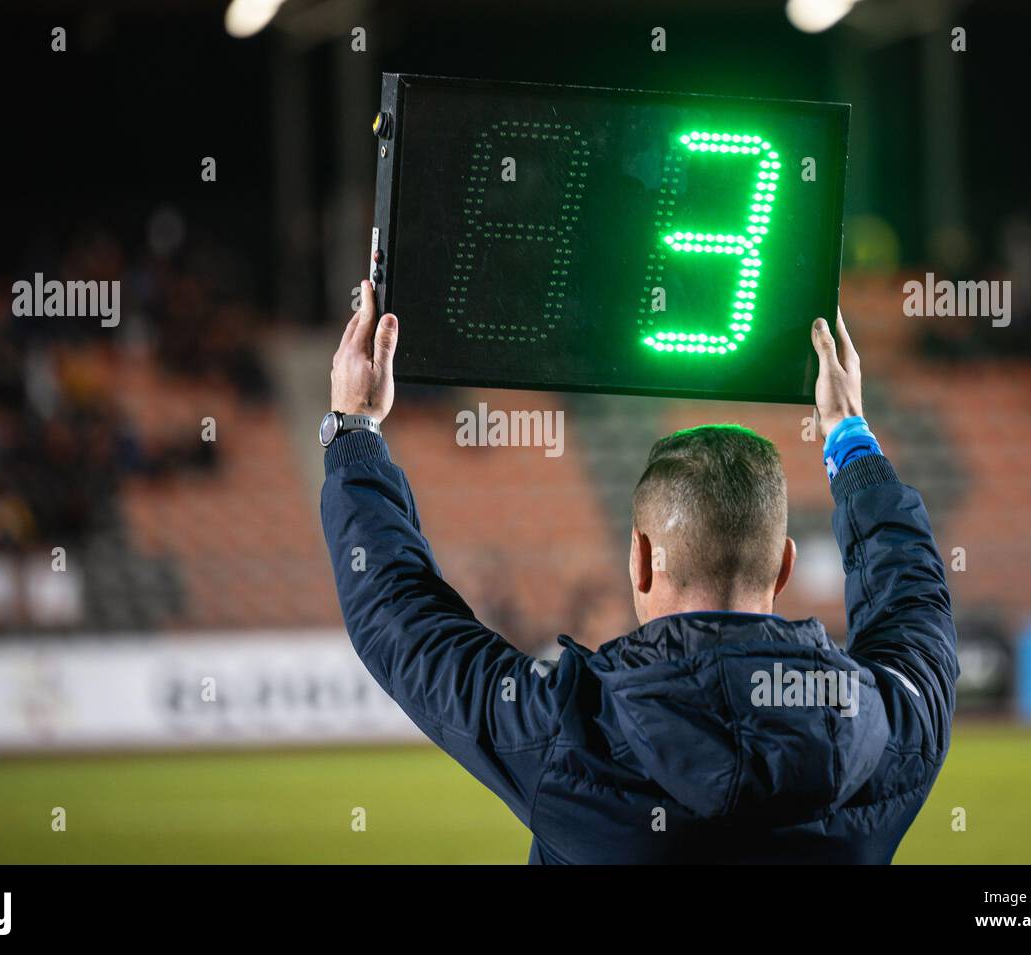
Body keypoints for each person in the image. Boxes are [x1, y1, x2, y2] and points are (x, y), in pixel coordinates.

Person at [319, 281, 958, 863]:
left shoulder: (567, 732)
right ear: (784, 564)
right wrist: (850, 437)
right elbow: (912, 603)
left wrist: (353, 429)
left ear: (643, 560)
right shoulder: (888, 725)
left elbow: (399, 616)